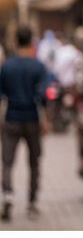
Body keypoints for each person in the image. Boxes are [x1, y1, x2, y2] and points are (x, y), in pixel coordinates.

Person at [0, 26, 50, 222]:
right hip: (32, 119)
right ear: (31, 42)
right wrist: (46, 120)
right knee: (34, 162)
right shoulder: (37, 66)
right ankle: (32, 202)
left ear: (16, 41)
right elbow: (43, 96)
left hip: (11, 118)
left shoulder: (7, 66)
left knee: (7, 161)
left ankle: (7, 195)